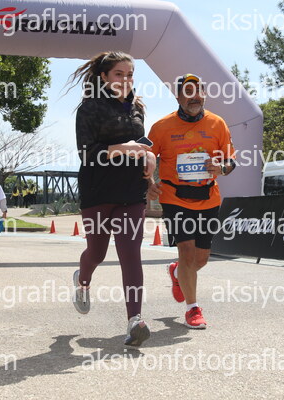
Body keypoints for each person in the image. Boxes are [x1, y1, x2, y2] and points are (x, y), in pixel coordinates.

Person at [69, 51, 156, 347]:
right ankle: (82, 280)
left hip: (131, 190)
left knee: (130, 253)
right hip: (98, 190)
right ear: (104, 76)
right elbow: (86, 153)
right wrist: (123, 148)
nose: (125, 79)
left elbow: (141, 142)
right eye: (119, 74)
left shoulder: (137, 107)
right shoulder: (89, 108)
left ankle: (135, 321)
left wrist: (149, 157)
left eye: (130, 74)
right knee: (97, 253)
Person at [147, 73, 237, 329]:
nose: (194, 97)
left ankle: (177, 272)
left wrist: (222, 168)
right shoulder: (161, 127)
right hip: (174, 197)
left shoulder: (217, 124)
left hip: (208, 198)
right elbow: (146, 159)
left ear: (204, 94)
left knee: (201, 259)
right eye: (188, 92)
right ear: (178, 97)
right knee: (186, 252)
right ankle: (192, 309)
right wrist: (148, 184)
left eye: (198, 91)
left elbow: (231, 160)